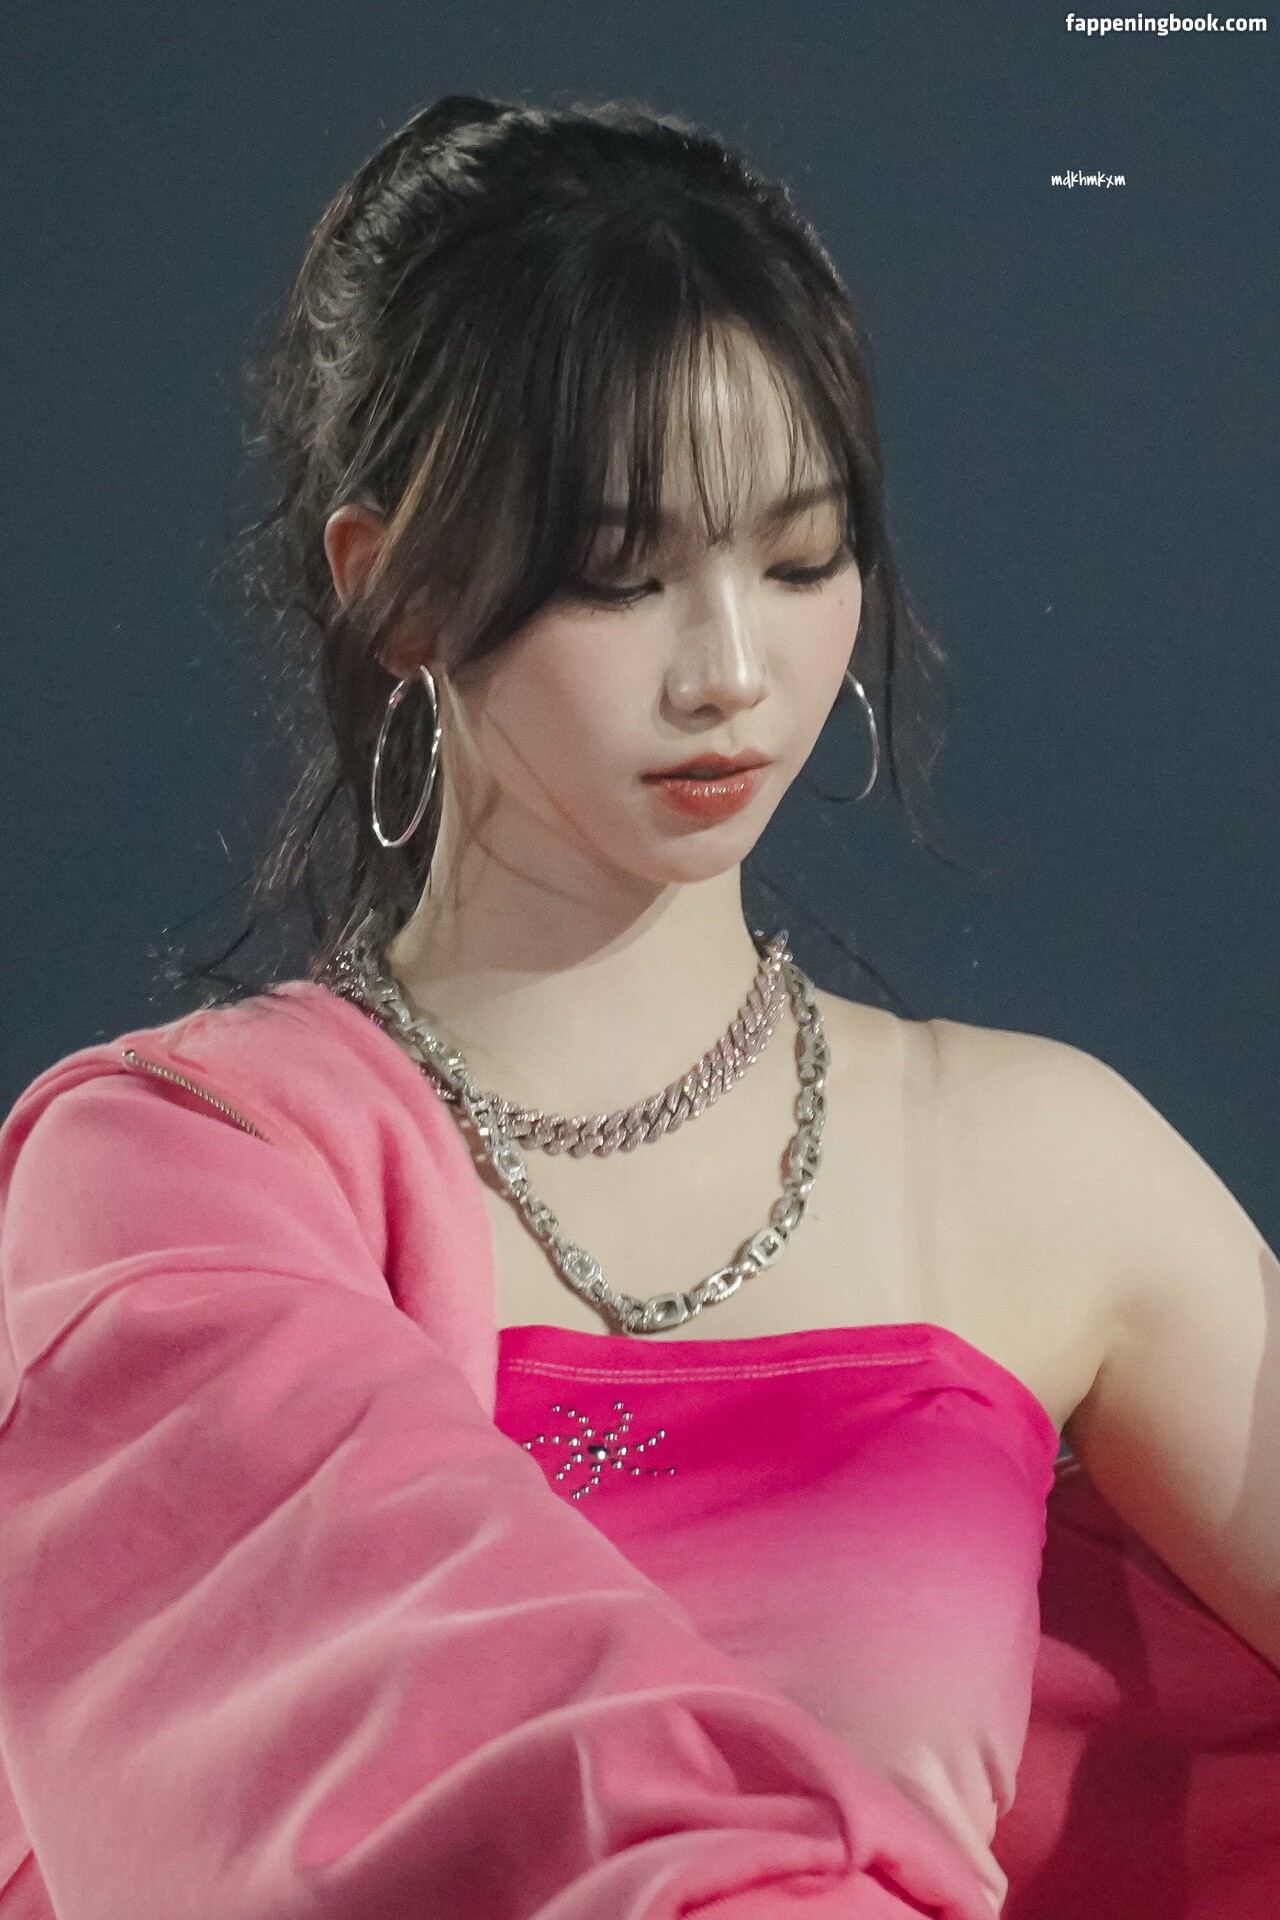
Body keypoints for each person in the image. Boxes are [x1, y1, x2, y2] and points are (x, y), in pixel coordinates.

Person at [0, 96, 1275, 1920]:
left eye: (801, 558)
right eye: (622, 574)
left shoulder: (1034, 1164)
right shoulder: (180, 1178)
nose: (734, 669)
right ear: (393, 592)